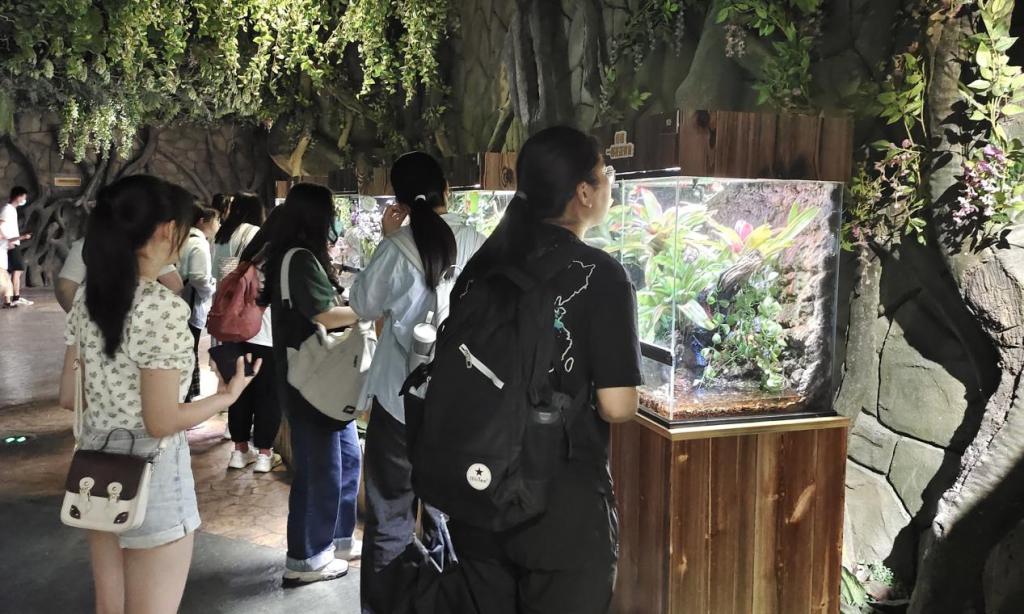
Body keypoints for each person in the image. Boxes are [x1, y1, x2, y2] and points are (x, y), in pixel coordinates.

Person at [442, 126, 642, 614]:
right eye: (607, 172)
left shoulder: (484, 265)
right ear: (584, 192)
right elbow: (617, 406)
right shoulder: (601, 274)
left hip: (478, 491)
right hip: (560, 508)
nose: (611, 182)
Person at [58, 174, 260, 614]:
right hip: (152, 475)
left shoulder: (89, 298)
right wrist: (227, 397)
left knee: (110, 608)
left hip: (96, 472)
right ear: (168, 230)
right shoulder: (163, 307)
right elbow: (161, 421)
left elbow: (69, 396)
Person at [353, 152, 487, 613]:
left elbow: (362, 306)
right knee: (444, 510)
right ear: (446, 188)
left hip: (398, 401)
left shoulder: (396, 248)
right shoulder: (475, 242)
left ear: (400, 200)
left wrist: (388, 238)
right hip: (455, 405)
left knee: (389, 514)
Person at [261, 183, 362, 585]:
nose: (335, 218)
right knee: (320, 469)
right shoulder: (299, 259)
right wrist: (367, 309)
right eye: (332, 211)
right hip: (309, 380)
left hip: (320, 380)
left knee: (347, 459)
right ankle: (304, 559)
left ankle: (336, 539)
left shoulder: (297, 256)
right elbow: (324, 315)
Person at [211, 192, 278, 471]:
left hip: (235, 331)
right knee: (268, 395)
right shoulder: (282, 257)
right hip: (267, 335)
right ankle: (264, 454)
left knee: (239, 391)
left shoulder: (243, 252)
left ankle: (239, 451)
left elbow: (217, 274)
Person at [56, 236, 184, 313]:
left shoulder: (85, 245)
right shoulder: (148, 246)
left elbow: (64, 289)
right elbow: (175, 285)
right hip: (141, 325)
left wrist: (78, 318)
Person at [179, 205, 220, 402]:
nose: (218, 225)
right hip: (191, 305)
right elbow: (199, 277)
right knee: (190, 352)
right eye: (216, 220)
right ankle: (186, 399)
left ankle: (184, 397)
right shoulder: (198, 243)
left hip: (182, 304)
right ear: (203, 221)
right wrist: (211, 289)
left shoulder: (185, 238)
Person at [1, 186, 32, 307]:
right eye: (24, 197)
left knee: (15, 270)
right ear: (18, 197)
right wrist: (8, 240)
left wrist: (20, 238)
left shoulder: (12, 210)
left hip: (13, 242)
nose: (24, 199)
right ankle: (15, 297)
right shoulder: (7, 209)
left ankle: (12, 298)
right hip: (10, 244)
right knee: (17, 270)